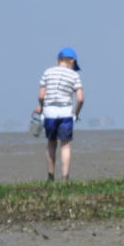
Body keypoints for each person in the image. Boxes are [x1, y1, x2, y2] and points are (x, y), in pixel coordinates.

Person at [33, 48, 84, 182]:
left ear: (58, 61)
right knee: (65, 145)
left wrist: (43, 108)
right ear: (72, 61)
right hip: (66, 112)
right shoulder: (74, 75)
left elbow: (41, 95)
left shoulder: (47, 72)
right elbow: (80, 99)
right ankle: (65, 178)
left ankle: (50, 177)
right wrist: (76, 114)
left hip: (49, 113)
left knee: (51, 143)